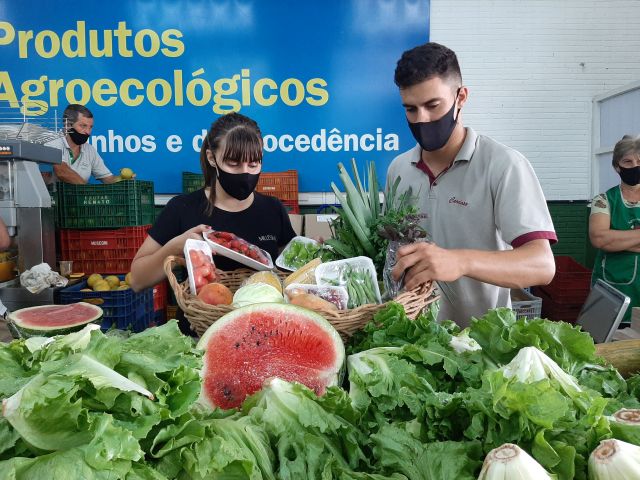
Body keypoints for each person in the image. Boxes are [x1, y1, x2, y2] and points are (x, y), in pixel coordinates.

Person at [388, 42, 557, 327]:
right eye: (410, 109)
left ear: (461, 97)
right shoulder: (398, 169)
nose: (422, 119)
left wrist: (460, 261)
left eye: (432, 105)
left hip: (480, 347)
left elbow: (541, 265)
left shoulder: (503, 165)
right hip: (411, 341)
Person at [130, 113, 296, 330]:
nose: (245, 172)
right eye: (233, 163)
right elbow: (137, 280)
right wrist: (176, 246)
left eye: (254, 163)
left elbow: (289, 272)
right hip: (198, 333)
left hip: (263, 332)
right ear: (211, 158)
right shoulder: (182, 208)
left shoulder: (273, 209)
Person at [589, 134, 640, 323]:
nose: (635, 166)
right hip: (614, 289)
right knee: (606, 341)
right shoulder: (604, 200)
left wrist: (619, 240)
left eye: (639, 161)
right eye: (628, 161)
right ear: (617, 166)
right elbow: (600, 239)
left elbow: (609, 240)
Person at [45, 104, 120, 184]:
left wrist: (123, 181)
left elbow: (107, 178)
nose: (88, 132)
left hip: (79, 196)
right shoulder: (52, 142)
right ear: (68, 125)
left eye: (90, 127)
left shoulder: (90, 150)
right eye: (83, 126)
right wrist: (88, 191)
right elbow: (62, 172)